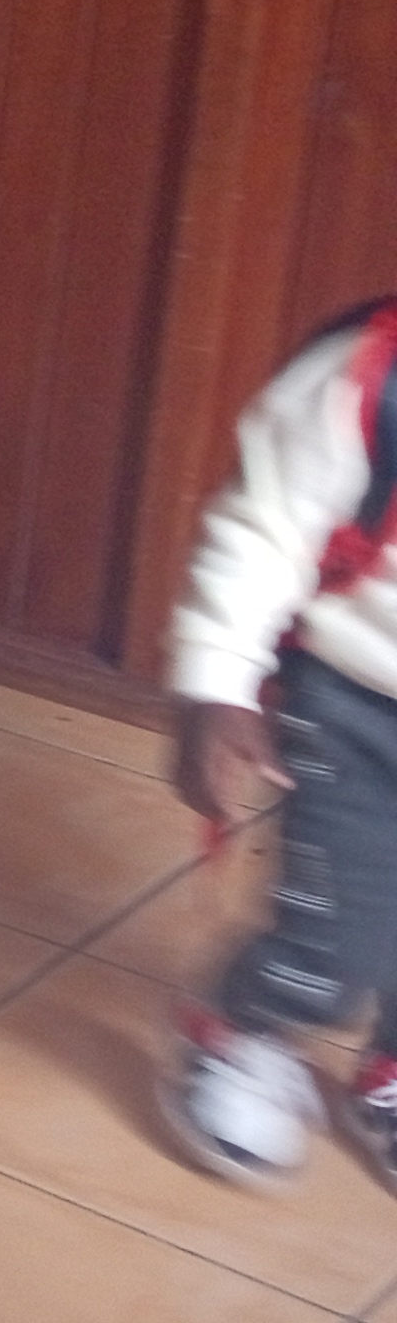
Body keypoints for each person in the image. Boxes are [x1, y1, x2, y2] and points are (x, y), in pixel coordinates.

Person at [165, 295, 397, 1186]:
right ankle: (241, 1028)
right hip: (355, 712)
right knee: (334, 946)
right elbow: (260, 533)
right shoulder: (367, 375)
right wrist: (216, 683)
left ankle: (386, 1069)